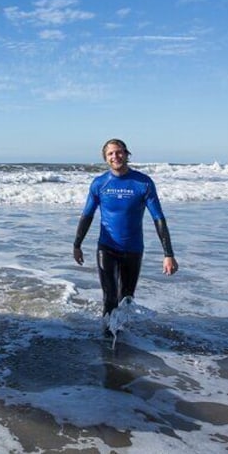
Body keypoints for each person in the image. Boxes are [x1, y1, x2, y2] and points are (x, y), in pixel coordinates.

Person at [73, 139, 178, 332]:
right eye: (111, 154)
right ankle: (106, 338)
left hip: (133, 249)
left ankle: (120, 336)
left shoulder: (143, 183)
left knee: (126, 298)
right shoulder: (99, 183)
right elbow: (87, 215)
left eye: (119, 152)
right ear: (105, 158)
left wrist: (168, 254)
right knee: (110, 297)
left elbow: (159, 218)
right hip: (107, 248)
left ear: (127, 154)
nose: (116, 156)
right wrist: (77, 245)